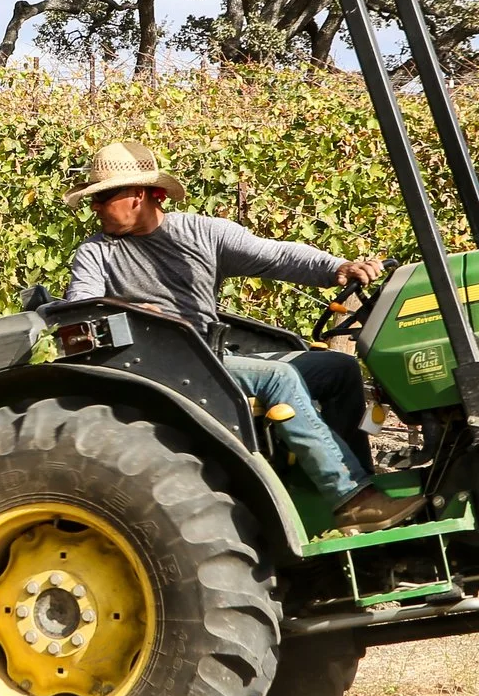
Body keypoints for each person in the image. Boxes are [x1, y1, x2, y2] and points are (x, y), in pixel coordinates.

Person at [61, 139, 402, 533]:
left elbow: (276, 255)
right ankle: (351, 499)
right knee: (277, 377)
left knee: (338, 368)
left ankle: (344, 485)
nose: (95, 207)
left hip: (209, 358)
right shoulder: (97, 252)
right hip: (158, 369)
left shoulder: (202, 234)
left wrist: (337, 267)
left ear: (138, 195)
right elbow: (80, 312)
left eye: (102, 198)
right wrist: (135, 314)